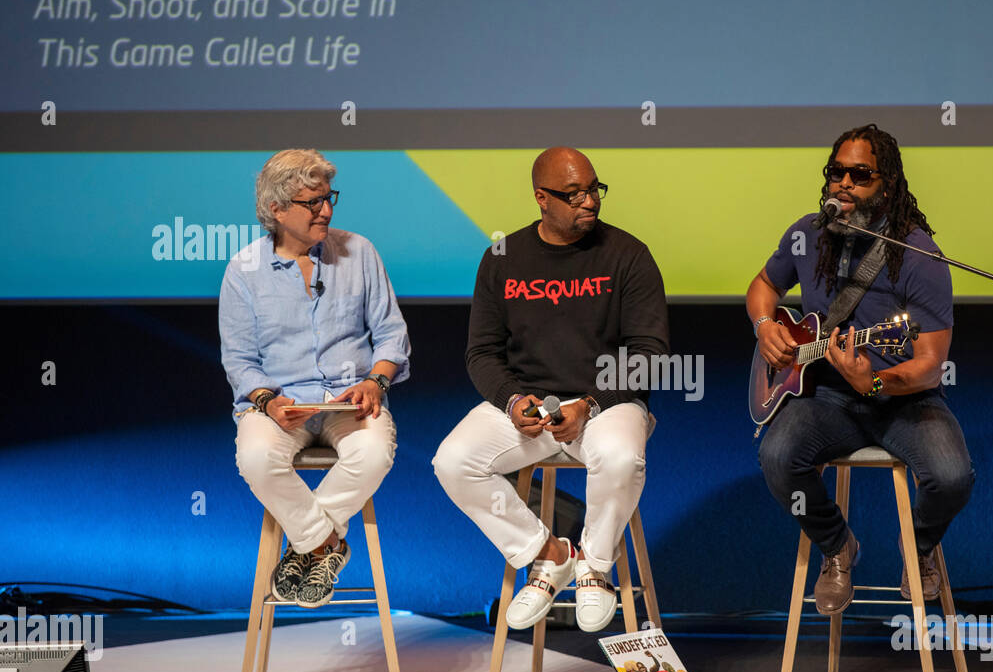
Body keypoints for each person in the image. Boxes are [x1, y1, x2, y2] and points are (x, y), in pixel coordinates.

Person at [433, 147, 669, 634]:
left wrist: (590, 402)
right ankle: (549, 554)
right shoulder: (503, 257)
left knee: (621, 458)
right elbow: (481, 353)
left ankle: (595, 568)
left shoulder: (628, 254)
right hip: (531, 406)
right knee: (453, 462)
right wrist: (513, 401)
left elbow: (650, 353)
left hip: (606, 402)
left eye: (594, 189)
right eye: (574, 194)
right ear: (541, 198)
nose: (589, 201)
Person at [747, 124, 974, 614]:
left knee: (952, 476)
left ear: (886, 185)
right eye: (836, 173)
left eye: (860, 175)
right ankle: (837, 548)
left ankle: (918, 549)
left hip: (904, 399)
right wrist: (766, 325)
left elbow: (930, 366)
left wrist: (872, 379)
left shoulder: (919, 256)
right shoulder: (806, 235)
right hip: (827, 397)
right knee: (778, 457)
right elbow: (762, 286)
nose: (843, 184)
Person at [219, 149, 410, 609]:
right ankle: (324, 544)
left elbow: (391, 337)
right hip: (281, 404)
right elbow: (241, 361)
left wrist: (376, 384)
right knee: (257, 458)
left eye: (329, 199)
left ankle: (305, 542)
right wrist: (267, 401)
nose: (326, 210)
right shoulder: (243, 272)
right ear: (276, 211)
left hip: (350, 401)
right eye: (312, 203)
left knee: (374, 452)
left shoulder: (359, 252)